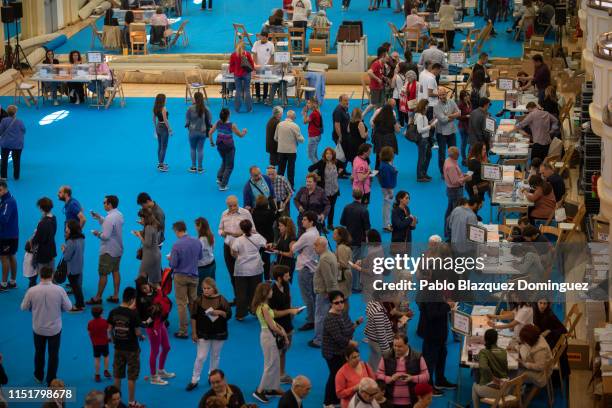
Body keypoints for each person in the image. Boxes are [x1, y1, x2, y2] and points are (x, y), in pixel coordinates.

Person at [20, 266, 72, 385]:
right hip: (54, 329)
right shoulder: (59, 290)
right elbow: (69, 307)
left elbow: (23, 307)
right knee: (53, 355)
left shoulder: (32, 290)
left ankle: (38, 376)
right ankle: (51, 380)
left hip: (38, 328)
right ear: (52, 276)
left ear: (39, 275)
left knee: (39, 352)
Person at [186, 278, 232, 391]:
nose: (206, 290)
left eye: (208, 288)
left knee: (215, 356)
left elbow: (229, 315)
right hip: (203, 333)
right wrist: (194, 332)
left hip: (219, 332)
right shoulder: (198, 301)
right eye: (204, 288)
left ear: (214, 288)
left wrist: (220, 312)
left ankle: (212, 377)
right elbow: (193, 317)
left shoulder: (222, 299)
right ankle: (194, 379)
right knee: (201, 357)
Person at [322, 291, 362, 407]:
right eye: (336, 302)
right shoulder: (330, 318)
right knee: (334, 375)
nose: (340, 304)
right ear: (331, 304)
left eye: (342, 301)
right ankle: (328, 402)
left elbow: (348, 329)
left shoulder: (343, 313)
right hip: (332, 353)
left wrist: (356, 323)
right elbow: (338, 338)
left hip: (342, 351)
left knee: (340, 375)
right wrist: (352, 343)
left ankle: (337, 398)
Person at [416, 280, 456, 394]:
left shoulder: (437, 288)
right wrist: (447, 306)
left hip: (440, 334)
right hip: (432, 334)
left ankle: (440, 380)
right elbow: (432, 313)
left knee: (441, 356)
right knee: (429, 362)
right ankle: (428, 387)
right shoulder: (430, 291)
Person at [108, 287, 144, 407]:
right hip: (132, 349)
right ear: (132, 300)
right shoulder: (133, 314)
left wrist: (114, 341)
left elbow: (109, 330)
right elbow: (137, 332)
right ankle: (131, 402)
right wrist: (141, 336)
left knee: (117, 375)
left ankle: (115, 402)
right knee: (131, 377)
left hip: (118, 348)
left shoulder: (113, 312)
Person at [252, 282, 288, 403]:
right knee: (270, 364)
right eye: (270, 291)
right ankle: (260, 391)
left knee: (275, 362)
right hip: (268, 336)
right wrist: (283, 333)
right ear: (265, 293)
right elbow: (272, 326)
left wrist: (281, 329)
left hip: (268, 335)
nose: (272, 292)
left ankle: (273, 388)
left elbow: (272, 322)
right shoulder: (264, 308)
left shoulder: (263, 306)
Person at [135, 277, 173, 386]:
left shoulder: (156, 291)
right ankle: (153, 376)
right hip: (152, 327)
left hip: (160, 323)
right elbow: (150, 313)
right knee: (155, 351)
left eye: (145, 286)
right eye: (142, 288)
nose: (145, 289)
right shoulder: (142, 299)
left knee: (166, 347)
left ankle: (160, 370)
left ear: (148, 283)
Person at [87, 195, 124, 305]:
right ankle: (116, 295)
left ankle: (97, 297)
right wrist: (100, 218)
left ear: (110, 204)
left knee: (103, 274)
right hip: (118, 249)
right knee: (115, 271)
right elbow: (111, 226)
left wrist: (96, 233)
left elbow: (105, 236)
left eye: (104, 202)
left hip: (108, 251)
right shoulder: (119, 214)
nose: (103, 204)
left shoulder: (109, 218)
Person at [168, 221, 202, 338]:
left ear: (177, 231)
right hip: (194, 276)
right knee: (193, 302)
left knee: (181, 303)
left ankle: (183, 331)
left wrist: (170, 258)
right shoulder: (197, 242)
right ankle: (196, 327)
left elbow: (173, 264)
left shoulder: (176, 245)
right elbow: (200, 257)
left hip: (180, 277)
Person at [376, 333, 430, 406]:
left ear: (406, 345)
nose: (396, 349)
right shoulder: (386, 356)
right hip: (390, 401)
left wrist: (412, 378)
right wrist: (390, 379)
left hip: (412, 401)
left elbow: (426, 376)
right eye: (394, 346)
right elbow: (378, 375)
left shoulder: (417, 356)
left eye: (400, 346)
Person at [218, 196, 254, 302]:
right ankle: (238, 298)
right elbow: (220, 228)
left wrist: (239, 234)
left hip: (242, 247)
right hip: (228, 246)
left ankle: (248, 299)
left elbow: (253, 230)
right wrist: (222, 233)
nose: (233, 208)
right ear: (227, 205)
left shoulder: (245, 213)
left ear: (238, 203)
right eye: (230, 206)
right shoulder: (224, 213)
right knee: (232, 273)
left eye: (235, 205)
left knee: (244, 273)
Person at [269, 265, 301, 384]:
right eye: (287, 275)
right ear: (279, 278)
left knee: (284, 350)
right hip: (277, 326)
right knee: (278, 352)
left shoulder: (287, 285)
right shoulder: (271, 292)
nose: (290, 277)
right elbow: (273, 314)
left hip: (288, 323)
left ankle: (281, 373)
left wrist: (294, 310)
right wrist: (289, 311)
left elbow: (288, 301)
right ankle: (273, 376)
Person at [289, 211, 319, 331]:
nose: (302, 221)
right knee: (313, 294)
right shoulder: (316, 232)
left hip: (304, 267)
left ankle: (311, 320)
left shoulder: (306, 235)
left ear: (311, 222)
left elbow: (293, 248)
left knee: (307, 296)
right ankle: (315, 317)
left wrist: (292, 243)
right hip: (312, 266)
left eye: (305, 219)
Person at [231, 219, 266, 320]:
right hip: (256, 268)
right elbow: (265, 244)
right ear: (251, 228)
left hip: (241, 269)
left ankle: (241, 314)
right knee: (256, 291)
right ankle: (256, 311)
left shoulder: (238, 240)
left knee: (241, 292)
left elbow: (234, 253)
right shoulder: (258, 237)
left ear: (241, 229)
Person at [339, 189, 371, 293]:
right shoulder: (364, 210)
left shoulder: (347, 207)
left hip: (348, 239)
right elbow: (367, 228)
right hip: (359, 240)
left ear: (353, 196)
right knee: (357, 263)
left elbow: (342, 222)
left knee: (349, 261)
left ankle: (348, 283)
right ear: (362, 196)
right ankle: (356, 286)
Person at [311, 237, 340, 348]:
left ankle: (319, 340)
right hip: (330, 290)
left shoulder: (323, 259)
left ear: (323, 246)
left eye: (316, 245)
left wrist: (329, 292)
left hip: (324, 292)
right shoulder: (330, 254)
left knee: (320, 316)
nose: (314, 247)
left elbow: (328, 278)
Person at [210, 108, 248, 191]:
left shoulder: (217, 122)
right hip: (229, 147)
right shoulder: (232, 125)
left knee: (224, 161)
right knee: (229, 166)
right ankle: (223, 185)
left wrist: (211, 142)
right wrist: (244, 131)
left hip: (219, 145)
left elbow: (210, 133)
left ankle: (219, 178)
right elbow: (240, 135)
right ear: (228, 115)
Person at [532, 296, 569, 377]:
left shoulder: (550, 314)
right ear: (537, 303)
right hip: (543, 338)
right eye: (540, 303)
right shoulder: (536, 312)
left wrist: (549, 331)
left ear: (548, 304)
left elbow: (564, 330)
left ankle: (537, 373)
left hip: (551, 340)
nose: (542, 306)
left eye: (545, 304)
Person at [308, 147, 344, 230]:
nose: (328, 155)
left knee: (332, 207)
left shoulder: (336, 162)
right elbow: (310, 169)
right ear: (324, 155)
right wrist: (317, 177)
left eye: (330, 154)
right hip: (324, 191)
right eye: (327, 153)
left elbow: (343, 166)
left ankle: (330, 225)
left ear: (333, 155)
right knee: (323, 209)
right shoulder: (321, 162)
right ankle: (322, 225)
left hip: (334, 190)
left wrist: (340, 171)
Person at [471, 329, 508, 408]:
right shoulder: (503, 351)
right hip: (506, 388)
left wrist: (492, 377)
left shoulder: (484, 352)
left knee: (474, 385)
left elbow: (484, 367)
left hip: (496, 390)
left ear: (485, 339)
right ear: (497, 339)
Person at [443, 147, 470, 237]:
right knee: (456, 214)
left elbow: (456, 176)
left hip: (451, 190)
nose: (459, 156)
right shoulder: (451, 166)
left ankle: (448, 232)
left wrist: (462, 175)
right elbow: (455, 181)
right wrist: (465, 178)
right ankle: (453, 234)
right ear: (453, 155)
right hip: (455, 191)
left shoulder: (448, 160)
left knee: (450, 211)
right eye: (457, 154)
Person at [365, 293, 395, 372]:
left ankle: (369, 371)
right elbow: (381, 335)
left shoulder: (371, 303)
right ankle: (375, 379)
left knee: (373, 358)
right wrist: (387, 351)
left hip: (372, 338)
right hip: (378, 343)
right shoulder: (378, 312)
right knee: (378, 366)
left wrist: (385, 322)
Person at [132, 208, 162, 286]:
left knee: (140, 279)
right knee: (155, 282)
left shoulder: (148, 227)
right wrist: (142, 227)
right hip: (156, 255)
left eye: (141, 217)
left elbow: (147, 244)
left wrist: (139, 235)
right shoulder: (154, 225)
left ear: (145, 217)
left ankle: (140, 297)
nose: (140, 219)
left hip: (149, 256)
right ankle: (159, 297)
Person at [434, 88, 460, 176]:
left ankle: (454, 168)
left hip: (451, 130)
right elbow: (443, 120)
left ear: (446, 94)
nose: (442, 97)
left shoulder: (452, 102)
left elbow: (459, 112)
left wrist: (449, 116)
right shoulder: (436, 106)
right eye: (440, 95)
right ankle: (443, 172)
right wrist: (453, 116)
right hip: (441, 133)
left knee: (454, 151)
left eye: (443, 94)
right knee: (442, 153)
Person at [275, 110, 305, 188]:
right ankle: (290, 186)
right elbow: (300, 139)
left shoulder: (279, 124)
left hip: (281, 150)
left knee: (280, 169)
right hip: (291, 151)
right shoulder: (295, 126)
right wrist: (302, 138)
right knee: (291, 169)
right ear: (293, 117)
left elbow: (275, 138)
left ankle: (279, 185)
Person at [185, 92, 212, 173]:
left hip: (192, 132)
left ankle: (193, 167)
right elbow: (210, 121)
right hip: (202, 132)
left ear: (194, 98)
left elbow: (187, 121)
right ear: (202, 98)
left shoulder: (190, 108)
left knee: (192, 149)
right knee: (200, 150)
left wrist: (188, 125)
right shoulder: (206, 108)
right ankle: (200, 168)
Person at [62, 219, 85, 311]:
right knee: (77, 286)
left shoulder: (70, 242)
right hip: (79, 265)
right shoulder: (81, 238)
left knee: (75, 288)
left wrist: (64, 250)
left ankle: (79, 305)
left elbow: (67, 257)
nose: (66, 229)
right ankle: (81, 303)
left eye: (67, 227)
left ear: (71, 229)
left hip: (71, 268)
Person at [252, 195, 277, 280]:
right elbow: (275, 217)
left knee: (256, 257)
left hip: (256, 239)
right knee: (266, 258)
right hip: (268, 239)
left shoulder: (253, 212)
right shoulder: (270, 213)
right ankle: (267, 278)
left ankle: (256, 276)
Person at [31, 197, 58, 274]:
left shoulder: (43, 223)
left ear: (41, 208)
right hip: (51, 250)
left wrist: (32, 241)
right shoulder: (53, 218)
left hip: (43, 253)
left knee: (43, 274)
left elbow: (38, 239)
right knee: (51, 272)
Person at [0, 105, 26, 181]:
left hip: (6, 143)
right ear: (15, 113)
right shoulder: (20, 121)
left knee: (4, 160)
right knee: (16, 161)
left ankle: (4, 176)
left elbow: (0, 131)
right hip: (17, 144)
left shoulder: (4, 121)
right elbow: (24, 130)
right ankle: (16, 176)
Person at [0, 180, 18, 291]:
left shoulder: (8, 202)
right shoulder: (6, 198)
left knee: (4, 257)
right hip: (12, 233)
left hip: (6, 235)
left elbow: (3, 219)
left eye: (0, 190)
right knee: (11, 255)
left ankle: (3, 284)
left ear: (5, 188)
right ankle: (13, 281)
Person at [414, 100, 437, 182]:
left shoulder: (422, 115)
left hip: (425, 139)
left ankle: (423, 173)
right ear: (423, 106)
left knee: (427, 156)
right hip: (423, 140)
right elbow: (420, 130)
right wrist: (430, 126)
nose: (428, 107)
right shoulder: (420, 116)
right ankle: (420, 176)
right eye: (427, 105)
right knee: (422, 157)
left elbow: (424, 126)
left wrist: (430, 123)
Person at [229, 42, 255, 113]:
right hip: (246, 74)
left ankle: (237, 109)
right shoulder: (247, 54)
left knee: (238, 91)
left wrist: (233, 71)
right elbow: (252, 64)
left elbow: (231, 65)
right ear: (244, 47)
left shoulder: (233, 55)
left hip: (237, 74)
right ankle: (249, 109)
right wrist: (252, 70)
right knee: (247, 91)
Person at [372, 104, 400, 171]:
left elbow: (373, 126)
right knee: (389, 154)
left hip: (378, 138)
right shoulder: (392, 117)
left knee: (379, 153)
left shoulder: (378, 117)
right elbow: (397, 130)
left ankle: (377, 169)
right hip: (389, 138)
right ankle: (388, 169)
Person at [88, 306, 111, 382]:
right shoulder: (105, 322)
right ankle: (106, 370)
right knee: (106, 356)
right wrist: (109, 338)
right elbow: (108, 331)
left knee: (97, 359)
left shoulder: (90, 323)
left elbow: (89, 333)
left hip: (95, 344)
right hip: (104, 343)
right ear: (101, 313)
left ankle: (97, 374)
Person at [377, 147, 398, 233]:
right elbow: (387, 181)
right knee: (387, 207)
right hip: (388, 189)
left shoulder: (384, 164)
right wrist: (390, 193)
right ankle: (386, 225)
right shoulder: (386, 167)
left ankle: (387, 223)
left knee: (387, 206)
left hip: (386, 188)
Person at [364, 47, 389, 117]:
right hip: (375, 88)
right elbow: (369, 72)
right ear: (383, 56)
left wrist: (384, 77)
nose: (388, 58)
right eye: (387, 56)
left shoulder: (382, 64)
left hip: (380, 87)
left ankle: (374, 119)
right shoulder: (376, 64)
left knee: (378, 105)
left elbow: (379, 74)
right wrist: (377, 79)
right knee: (373, 104)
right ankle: (362, 116)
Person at [252, 32, 275, 103]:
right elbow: (254, 54)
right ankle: (258, 97)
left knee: (265, 82)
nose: (262, 39)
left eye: (264, 38)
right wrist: (255, 65)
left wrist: (269, 65)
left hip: (266, 66)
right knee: (257, 81)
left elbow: (272, 56)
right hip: (258, 65)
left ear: (267, 37)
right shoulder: (256, 43)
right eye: (261, 37)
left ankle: (265, 97)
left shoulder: (271, 44)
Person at [152, 93, 172, 172]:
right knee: (164, 147)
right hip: (164, 128)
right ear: (163, 100)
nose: (166, 100)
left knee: (160, 146)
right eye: (165, 99)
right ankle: (161, 165)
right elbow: (165, 120)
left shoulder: (155, 108)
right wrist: (170, 129)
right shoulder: (164, 108)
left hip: (158, 126)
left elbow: (153, 118)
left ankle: (160, 162)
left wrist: (155, 128)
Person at [195, 217, 216, 293]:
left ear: (199, 227)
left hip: (203, 268)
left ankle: (201, 303)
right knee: (211, 285)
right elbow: (213, 247)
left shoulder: (201, 241)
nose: (195, 227)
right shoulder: (211, 235)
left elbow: (197, 255)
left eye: (196, 225)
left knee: (201, 288)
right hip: (212, 263)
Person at [333, 227, 353, 302]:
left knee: (342, 298)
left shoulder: (341, 247)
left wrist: (332, 262)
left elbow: (343, 264)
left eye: (335, 234)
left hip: (343, 275)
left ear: (340, 236)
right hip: (344, 274)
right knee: (344, 298)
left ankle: (344, 314)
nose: (333, 235)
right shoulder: (341, 246)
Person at [302, 98, 323, 164]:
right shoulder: (318, 111)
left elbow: (305, 122)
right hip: (317, 135)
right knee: (314, 154)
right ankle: (318, 169)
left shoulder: (313, 114)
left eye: (308, 103)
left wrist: (305, 113)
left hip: (313, 136)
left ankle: (318, 169)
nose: (307, 104)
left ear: (313, 104)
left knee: (311, 155)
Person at [457, 90, 472, 166]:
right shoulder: (460, 105)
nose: (467, 97)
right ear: (462, 97)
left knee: (471, 142)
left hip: (469, 126)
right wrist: (466, 116)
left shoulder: (469, 103)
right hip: (462, 127)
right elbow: (458, 117)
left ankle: (469, 158)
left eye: (468, 95)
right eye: (465, 96)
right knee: (464, 143)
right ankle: (464, 159)